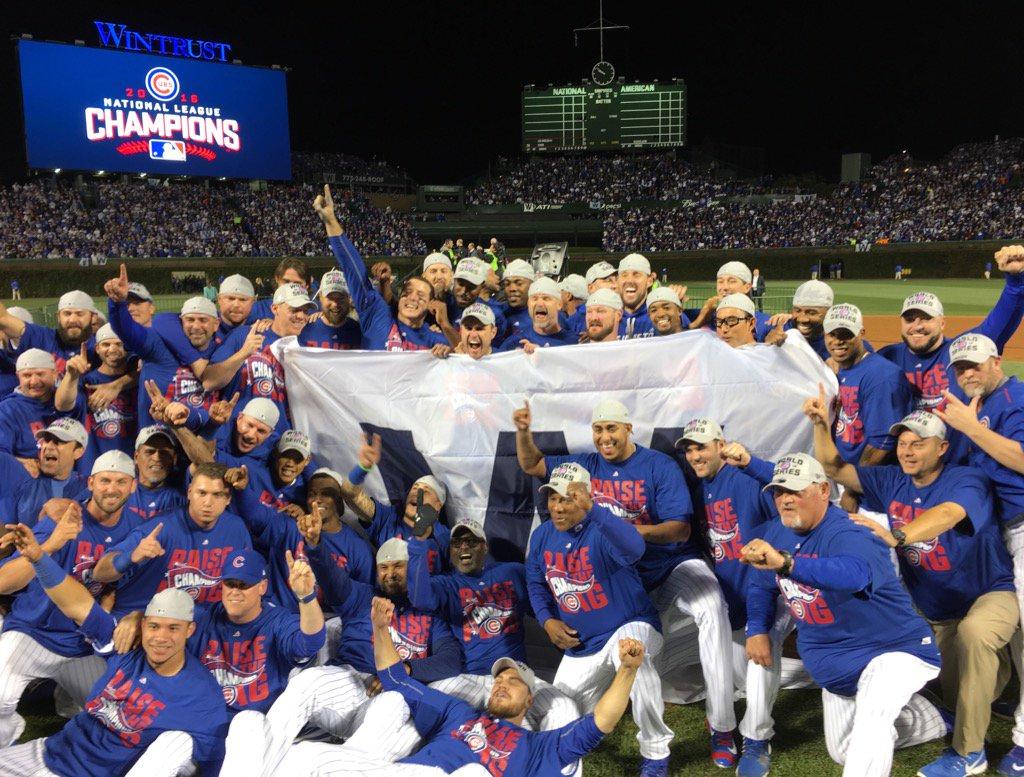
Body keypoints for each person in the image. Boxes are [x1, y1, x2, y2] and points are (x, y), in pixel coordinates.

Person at [514, 398, 737, 767]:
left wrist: (614, 527)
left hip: (669, 564)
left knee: (710, 607)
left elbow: (679, 530)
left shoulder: (657, 467)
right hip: (624, 579)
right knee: (566, 700)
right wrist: (523, 431)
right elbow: (532, 463)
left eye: (612, 428)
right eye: (599, 429)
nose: (605, 437)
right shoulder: (580, 470)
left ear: (628, 428)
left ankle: (722, 726)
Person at [812, 402, 1017, 775]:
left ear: (941, 447)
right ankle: (989, 688)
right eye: (903, 443)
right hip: (936, 613)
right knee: (937, 682)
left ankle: (970, 752)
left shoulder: (966, 479)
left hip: (990, 594)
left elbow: (949, 513)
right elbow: (834, 468)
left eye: (918, 443)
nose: (907, 451)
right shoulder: (891, 479)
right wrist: (820, 426)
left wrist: (898, 535)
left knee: (973, 637)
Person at [241, 596, 645, 776]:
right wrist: (382, 629)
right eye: (498, 678)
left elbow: (600, 723)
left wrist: (626, 671)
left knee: (474, 774)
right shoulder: (458, 712)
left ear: (531, 697)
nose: (502, 684)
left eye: (513, 680)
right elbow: (396, 678)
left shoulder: (540, 748)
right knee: (302, 758)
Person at [742, 453, 947, 776]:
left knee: (872, 721)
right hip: (838, 668)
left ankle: (880, 724)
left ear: (824, 490)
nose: (785, 500)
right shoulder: (777, 533)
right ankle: (933, 716)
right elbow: (760, 585)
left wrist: (788, 564)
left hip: (893, 650)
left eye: (795, 491)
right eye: (779, 492)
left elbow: (853, 574)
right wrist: (757, 628)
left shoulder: (851, 531)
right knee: (844, 750)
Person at [0, 521, 229, 776]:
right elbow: (77, 603)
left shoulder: (199, 696)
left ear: (189, 631)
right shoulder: (126, 646)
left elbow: (212, 760)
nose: (160, 637)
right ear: (143, 625)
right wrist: (39, 558)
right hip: (48, 752)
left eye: (172, 628)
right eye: (154, 626)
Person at [227, 536, 462, 775]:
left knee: (393, 705)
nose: (390, 573)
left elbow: (451, 660)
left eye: (398, 566)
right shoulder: (361, 596)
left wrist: (405, 670)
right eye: (384, 567)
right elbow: (333, 579)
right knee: (306, 682)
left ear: (413, 568)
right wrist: (315, 547)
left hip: (391, 697)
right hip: (350, 682)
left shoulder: (429, 614)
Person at [526, 462, 674, 776]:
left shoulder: (604, 527)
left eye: (566, 498)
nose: (558, 506)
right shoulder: (541, 537)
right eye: (553, 498)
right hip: (582, 647)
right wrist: (546, 620)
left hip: (632, 624)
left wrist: (594, 510)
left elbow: (634, 548)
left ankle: (656, 752)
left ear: (584, 497)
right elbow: (536, 582)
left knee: (633, 653)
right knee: (559, 709)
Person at [675, 418, 789, 776]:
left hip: (773, 591)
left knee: (762, 651)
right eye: (689, 449)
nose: (694, 455)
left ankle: (757, 738)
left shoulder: (748, 478)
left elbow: (790, 488)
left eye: (701, 446)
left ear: (721, 445)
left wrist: (753, 462)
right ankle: (720, 724)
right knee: (738, 669)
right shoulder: (698, 489)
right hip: (731, 596)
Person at [932, 333, 1024, 774]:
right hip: (998, 536)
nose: (967, 373)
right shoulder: (977, 407)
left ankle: (1023, 740)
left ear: (996, 360)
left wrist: (970, 429)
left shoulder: (1015, 398)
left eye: (974, 365)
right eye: (960, 367)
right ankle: (1004, 694)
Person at [0, 453, 138, 747]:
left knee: (121, 719)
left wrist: (133, 617)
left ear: (132, 486)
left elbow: (138, 595)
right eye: (104, 480)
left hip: (84, 647)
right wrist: (52, 543)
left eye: (120, 481)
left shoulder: (137, 532)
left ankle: (68, 702)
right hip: (33, 634)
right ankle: (9, 734)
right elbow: (3, 581)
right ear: (90, 483)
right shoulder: (60, 521)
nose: (111, 488)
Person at [406, 517, 579, 733]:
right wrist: (418, 543)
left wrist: (558, 624)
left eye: (471, 541)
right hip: (467, 676)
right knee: (430, 710)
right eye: (457, 543)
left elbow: (544, 602)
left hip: (515, 675)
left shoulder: (512, 573)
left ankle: (550, 762)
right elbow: (419, 598)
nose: (464, 547)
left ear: (484, 546)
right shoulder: (445, 584)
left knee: (564, 708)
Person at [878, 245, 1024, 463]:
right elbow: (856, 360)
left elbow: (1003, 317)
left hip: (956, 465)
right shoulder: (888, 356)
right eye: (910, 319)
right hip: (907, 463)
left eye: (926, 318)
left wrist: (1015, 279)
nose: (917, 326)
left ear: (943, 322)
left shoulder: (962, 350)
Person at [90, 462, 252, 613]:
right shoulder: (161, 527)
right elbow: (100, 573)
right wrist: (130, 557)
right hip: (143, 616)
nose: (208, 502)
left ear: (228, 499)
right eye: (201, 493)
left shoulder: (236, 528)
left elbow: (248, 584)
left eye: (217, 495)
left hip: (198, 624)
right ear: (189, 492)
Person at [315, 185, 450, 355]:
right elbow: (353, 270)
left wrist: (450, 353)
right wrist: (331, 221)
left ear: (431, 305)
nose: (412, 298)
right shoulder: (377, 316)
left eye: (421, 295)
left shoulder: (438, 342)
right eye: (407, 292)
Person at [226, 463, 374, 606]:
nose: (318, 499)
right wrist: (243, 490)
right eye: (312, 494)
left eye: (327, 494)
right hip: (280, 615)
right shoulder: (290, 527)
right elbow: (257, 517)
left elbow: (361, 599)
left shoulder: (358, 548)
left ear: (339, 502)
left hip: (329, 621)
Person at [105, 264, 217, 424]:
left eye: (203, 320)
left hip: (200, 439)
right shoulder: (158, 342)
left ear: (216, 324)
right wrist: (117, 304)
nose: (196, 326)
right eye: (190, 320)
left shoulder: (222, 345)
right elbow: (128, 331)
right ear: (180, 320)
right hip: (157, 439)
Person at [204, 282, 316, 433]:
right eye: (294, 309)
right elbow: (209, 382)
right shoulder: (245, 335)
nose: (301, 316)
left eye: (305, 311)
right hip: (235, 431)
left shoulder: (305, 350)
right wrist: (243, 353)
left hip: (279, 438)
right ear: (275, 308)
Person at [338, 432, 451, 571]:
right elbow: (350, 494)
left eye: (425, 491)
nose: (417, 493)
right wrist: (363, 468)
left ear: (438, 505)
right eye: (414, 488)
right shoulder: (387, 519)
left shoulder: (446, 538)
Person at [822, 303, 913, 465]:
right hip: (843, 467)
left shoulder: (881, 376)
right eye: (832, 334)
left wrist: (855, 483)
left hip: (866, 476)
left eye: (846, 334)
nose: (838, 341)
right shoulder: (840, 368)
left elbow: (881, 443)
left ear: (861, 333)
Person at [55, 326, 136, 474]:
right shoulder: (87, 381)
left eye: (119, 344)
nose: (112, 349)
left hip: (132, 466)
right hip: (93, 467)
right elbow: (62, 405)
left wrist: (119, 384)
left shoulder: (138, 379)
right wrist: (71, 376)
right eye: (106, 344)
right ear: (97, 348)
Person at [0, 418, 89, 528]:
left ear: (78, 452)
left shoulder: (87, 487)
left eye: (59, 441)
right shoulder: (20, 472)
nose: (49, 446)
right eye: (46, 440)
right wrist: (21, 460)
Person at [0, 348, 83, 460]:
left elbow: (65, 404)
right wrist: (23, 463)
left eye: (40, 374)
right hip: (28, 476)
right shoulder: (7, 410)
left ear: (55, 374)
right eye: (27, 375)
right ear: (18, 376)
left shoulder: (68, 396)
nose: (34, 381)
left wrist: (72, 376)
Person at [0, 292, 94, 376]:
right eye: (67, 314)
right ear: (58, 317)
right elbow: (3, 319)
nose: (73, 320)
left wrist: (109, 387)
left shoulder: (102, 345)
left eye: (80, 314)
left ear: (93, 317)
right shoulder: (43, 337)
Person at [497, 277, 577, 352]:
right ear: (528, 304)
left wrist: (542, 354)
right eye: (534, 298)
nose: (539, 304)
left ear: (559, 304)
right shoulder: (515, 343)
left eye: (546, 298)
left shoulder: (574, 343)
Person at [125, 424, 186, 520]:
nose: (157, 458)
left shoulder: (181, 496)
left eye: (164, 453)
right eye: (150, 452)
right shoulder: (120, 491)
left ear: (174, 459)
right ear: (136, 457)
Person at [300, 270, 362, 351]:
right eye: (330, 298)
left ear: (349, 298)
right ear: (320, 297)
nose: (335, 304)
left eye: (340, 298)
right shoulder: (305, 328)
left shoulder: (358, 331)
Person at [248, 257, 314, 321]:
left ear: (306, 286)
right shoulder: (257, 309)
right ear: (277, 279)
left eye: (297, 283)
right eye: (286, 282)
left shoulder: (317, 311)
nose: (290, 287)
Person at [617, 253, 658, 339]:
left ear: (649, 281)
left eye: (636, 275)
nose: (629, 280)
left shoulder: (660, 316)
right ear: (618, 281)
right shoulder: (608, 318)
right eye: (624, 275)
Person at [498, 259, 536, 342]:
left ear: (532, 285)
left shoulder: (545, 316)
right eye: (507, 284)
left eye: (519, 283)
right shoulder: (497, 313)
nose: (512, 289)